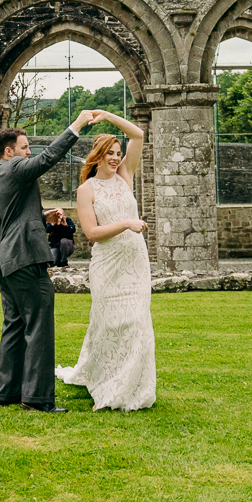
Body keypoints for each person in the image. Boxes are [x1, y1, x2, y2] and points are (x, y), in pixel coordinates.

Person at [0, 109, 101, 413]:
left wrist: (43, 215)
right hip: (26, 259)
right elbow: (47, 158)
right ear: (9, 152)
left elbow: (12, 218)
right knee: (39, 326)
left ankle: (8, 393)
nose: (29, 153)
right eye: (24, 148)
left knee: (13, 326)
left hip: (8, 261)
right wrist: (76, 125)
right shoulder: (15, 168)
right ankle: (37, 399)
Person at [55, 110, 156, 411]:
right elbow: (92, 233)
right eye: (110, 153)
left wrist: (108, 116)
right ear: (97, 156)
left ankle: (133, 388)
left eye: (118, 153)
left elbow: (137, 133)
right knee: (109, 325)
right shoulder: (86, 190)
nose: (115, 158)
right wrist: (127, 223)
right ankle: (105, 379)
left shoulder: (125, 176)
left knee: (137, 323)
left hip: (135, 262)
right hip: (107, 266)